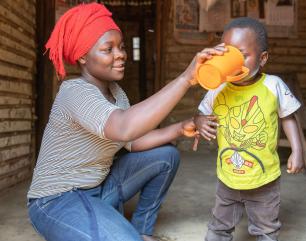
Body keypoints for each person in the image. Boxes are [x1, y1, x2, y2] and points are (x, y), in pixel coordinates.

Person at [27, 3, 226, 241]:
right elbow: (123, 128)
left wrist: (179, 128)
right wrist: (185, 78)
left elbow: (131, 141)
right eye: (107, 49)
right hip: (57, 200)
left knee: (166, 156)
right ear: (82, 56)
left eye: (121, 47)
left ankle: (142, 230)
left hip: (99, 189)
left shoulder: (117, 94)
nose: (120, 54)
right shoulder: (74, 91)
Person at [194, 17, 304, 241]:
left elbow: (289, 118)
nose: (234, 64)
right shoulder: (218, 87)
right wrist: (200, 122)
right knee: (219, 225)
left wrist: (297, 150)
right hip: (228, 177)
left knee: (266, 229)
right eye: (228, 55)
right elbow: (200, 113)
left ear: (262, 58)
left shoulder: (273, 85)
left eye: (242, 56)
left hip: (264, 179)